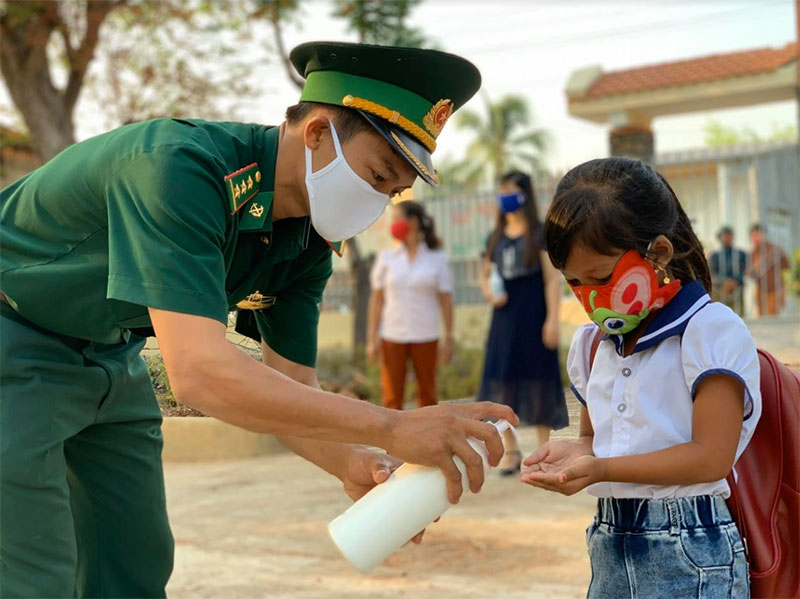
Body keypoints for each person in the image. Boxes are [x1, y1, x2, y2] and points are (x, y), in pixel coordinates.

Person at [0, 41, 519, 598]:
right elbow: (199, 373)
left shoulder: (309, 239)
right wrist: (394, 427)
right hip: (15, 333)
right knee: (35, 573)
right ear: (317, 132)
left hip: (109, 352)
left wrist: (355, 461)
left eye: (392, 192)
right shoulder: (179, 170)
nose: (378, 202)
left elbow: (291, 383)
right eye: (376, 174)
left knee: (134, 563)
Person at [522, 157, 760, 599]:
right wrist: (572, 455)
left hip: (692, 549)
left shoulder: (709, 331)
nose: (591, 298)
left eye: (602, 277)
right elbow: (597, 443)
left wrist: (602, 468)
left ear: (660, 253)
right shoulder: (593, 345)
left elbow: (711, 457)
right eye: (574, 282)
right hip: (610, 540)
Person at [477, 171, 568, 475]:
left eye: (510, 190)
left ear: (525, 195)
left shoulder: (539, 233)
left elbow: (551, 281)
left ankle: (542, 451)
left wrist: (552, 320)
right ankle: (511, 451)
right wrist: (490, 292)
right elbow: (485, 274)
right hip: (504, 319)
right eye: (501, 190)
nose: (504, 196)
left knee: (539, 378)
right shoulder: (495, 237)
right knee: (503, 379)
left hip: (534, 315)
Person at [367, 200, 454, 410]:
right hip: (392, 335)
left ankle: (429, 441)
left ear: (413, 222)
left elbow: (446, 301)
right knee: (391, 397)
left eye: (397, 218)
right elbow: (377, 300)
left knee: (428, 395)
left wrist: (449, 337)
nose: (394, 224)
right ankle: (393, 443)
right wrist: (372, 338)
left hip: (426, 334)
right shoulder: (387, 258)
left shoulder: (437, 259)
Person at [749, 223, 789, 317]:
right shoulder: (753, 253)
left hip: (775, 289)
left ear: (763, 235)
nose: (756, 238)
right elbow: (750, 273)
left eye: (758, 235)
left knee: (773, 317)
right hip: (760, 290)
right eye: (753, 236)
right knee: (761, 317)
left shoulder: (774, 249)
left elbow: (786, 265)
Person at [709, 225, 747, 316]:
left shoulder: (740, 254)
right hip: (719, 290)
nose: (727, 238)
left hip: (737, 289)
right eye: (725, 236)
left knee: (739, 317)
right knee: (720, 316)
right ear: (719, 238)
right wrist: (724, 281)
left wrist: (734, 281)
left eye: (729, 235)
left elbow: (744, 271)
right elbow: (712, 274)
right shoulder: (715, 256)